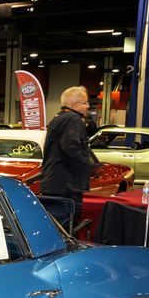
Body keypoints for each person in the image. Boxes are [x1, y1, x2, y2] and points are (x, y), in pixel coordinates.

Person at [41, 86, 94, 229]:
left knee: (56, 226)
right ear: (74, 104)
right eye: (84, 103)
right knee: (66, 227)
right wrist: (88, 164)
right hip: (66, 185)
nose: (88, 106)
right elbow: (71, 148)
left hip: (56, 183)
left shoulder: (59, 117)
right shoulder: (72, 119)